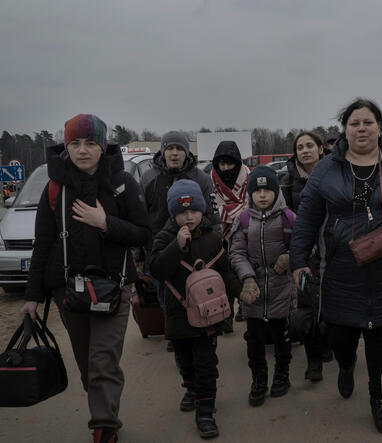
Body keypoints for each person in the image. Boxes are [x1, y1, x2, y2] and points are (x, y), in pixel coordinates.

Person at [290, 98, 382, 433]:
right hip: (342, 265)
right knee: (341, 337)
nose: (362, 128)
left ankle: (379, 401)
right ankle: (347, 366)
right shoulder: (327, 168)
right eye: (355, 123)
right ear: (345, 129)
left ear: (379, 126)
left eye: (368, 122)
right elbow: (307, 217)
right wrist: (298, 260)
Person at [19, 114, 151, 443]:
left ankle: (104, 429)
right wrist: (32, 297)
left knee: (102, 361)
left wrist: (105, 222)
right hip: (69, 293)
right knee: (87, 364)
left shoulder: (122, 183)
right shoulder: (54, 188)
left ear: (102, 146)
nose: (82, 150)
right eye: (75, 143)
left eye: (90, 142)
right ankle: (101, 408)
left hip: (114, 288)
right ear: (66, 146)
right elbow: (43, 245)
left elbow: (144, 234)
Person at [150, 179, 241, 439]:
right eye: (181, 211)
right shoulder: (165, 237)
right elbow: (156, 269)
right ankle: (190, 388)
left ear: (202, 211)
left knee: (206, 364)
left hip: (207, 316)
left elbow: (224, 271)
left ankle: (205, 411)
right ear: (173, 213)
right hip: (178, 315)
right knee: (185, 360)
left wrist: (241, 291)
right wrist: (176, 246)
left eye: (193, 211)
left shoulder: (213, 237)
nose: (188, 216)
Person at [141, 131, 221, 339]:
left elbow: (212, 215)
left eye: (179, 149)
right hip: (161, 248)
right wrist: (141, 253)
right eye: (170, 148)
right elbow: (140, 217)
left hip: (196, 248)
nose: (174, 153)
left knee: (198, 291)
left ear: (187, 152)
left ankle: (201, 327)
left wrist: (217, 242)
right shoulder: (148, 178)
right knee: (166, 295)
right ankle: (175, 333)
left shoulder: (201, 179)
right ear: (163, 151)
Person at [229, 166, 297, 407]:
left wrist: (289, 258)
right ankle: (258, 379)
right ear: (250, 194)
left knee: (282, 335)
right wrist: (247, 277)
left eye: (268, 189)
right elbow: (236, 252)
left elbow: (302, 246)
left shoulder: (288, 217)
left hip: (281, 286)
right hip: (253, 289)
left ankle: (282, 375)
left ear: (276, 191)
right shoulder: (243, 219)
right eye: (257, 191)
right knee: (255, 338)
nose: (263, 195)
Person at [280, 131, 332, 382]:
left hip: (335, 252)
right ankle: (313, 362)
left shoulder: (338, 173)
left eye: (310, 145)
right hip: (306, 254)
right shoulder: (288, 180)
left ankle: (330, 345)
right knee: (307, 306)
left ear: (321, 148)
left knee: (335, 305)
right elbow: (287, 218)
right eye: (300, 147)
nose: (305, 150)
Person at [209, 140, 251, 324]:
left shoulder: (249, 176)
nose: (225, 168)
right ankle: (226, 314)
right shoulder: (209, 179)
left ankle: (244, 306)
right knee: (222, 273)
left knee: (244, 270)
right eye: (222, 164)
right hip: (219, 233)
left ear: (237, 162)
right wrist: (230, 212)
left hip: (246, 232)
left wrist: (226, 212)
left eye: (230, 163)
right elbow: (209, 207)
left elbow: (251, 205)